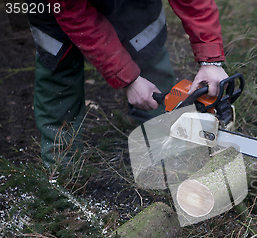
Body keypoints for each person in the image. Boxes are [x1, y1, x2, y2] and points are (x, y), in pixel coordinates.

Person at [26, 0, 228, 168]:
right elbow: (75, 14)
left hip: (133, 6)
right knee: (59, 75)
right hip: (59, 8)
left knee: (150, 59)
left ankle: (169, 156)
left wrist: (210, 59)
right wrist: (127, 78)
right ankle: (61, 172)